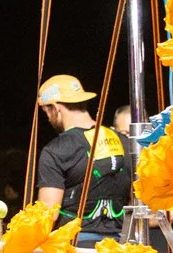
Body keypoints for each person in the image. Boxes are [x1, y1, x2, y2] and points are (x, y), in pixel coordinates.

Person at [35, 75, 132, 242]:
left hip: (75, 249)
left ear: (56, 108)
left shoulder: (56, 150)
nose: (48, 119)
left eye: (46, 112)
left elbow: (48, 215)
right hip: (118, 249)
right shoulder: (125, 142)